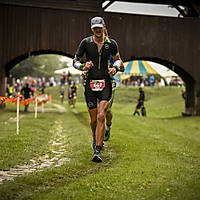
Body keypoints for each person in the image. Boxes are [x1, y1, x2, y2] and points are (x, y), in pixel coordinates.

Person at [73, 16, 123, 162]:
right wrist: (82, 66)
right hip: (90, 84)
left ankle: (97, 150)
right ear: (92, 29)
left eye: (99, 27)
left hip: (105, 83)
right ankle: (95, 139)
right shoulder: (85, 43)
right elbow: (75, 61)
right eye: (95, 28)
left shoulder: (111, 44)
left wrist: (115, 68)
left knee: (102, 115)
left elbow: (118, 59)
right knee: (94, 119)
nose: (97, 30)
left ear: (104, 27)